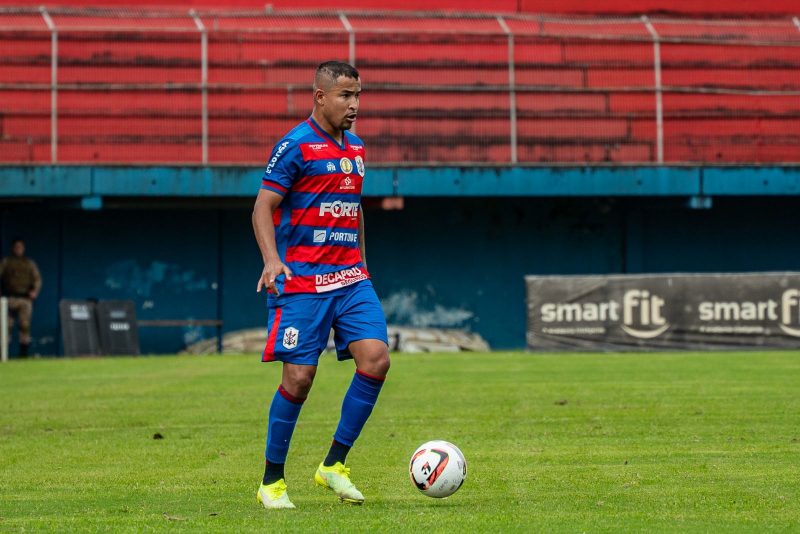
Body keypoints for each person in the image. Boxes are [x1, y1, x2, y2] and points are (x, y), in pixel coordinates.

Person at [251, 61, 390, 510]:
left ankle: (334, 465)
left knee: (376, 359)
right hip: (303, 279)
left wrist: (364, 265)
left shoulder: (356, 149)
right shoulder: (294, 146)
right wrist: (272, 260)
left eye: (358, 96)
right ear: (320, 96)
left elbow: (354, 208)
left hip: (351, 278)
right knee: (299, 378)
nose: (354, 105)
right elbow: (262, 207)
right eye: (346, 95)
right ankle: (272, 481)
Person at [0, 238, 42, 358]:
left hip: (25, 299)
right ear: (13, 248)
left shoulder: (29, 263)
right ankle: (3, 353)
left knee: (25, 325)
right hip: (9, 298)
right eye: (16, 247)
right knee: (6, 325)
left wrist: (35, 291)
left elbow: (37, 279)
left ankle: (23, 354)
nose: (19, 249)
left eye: (21, 247)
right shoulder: (6, 262)